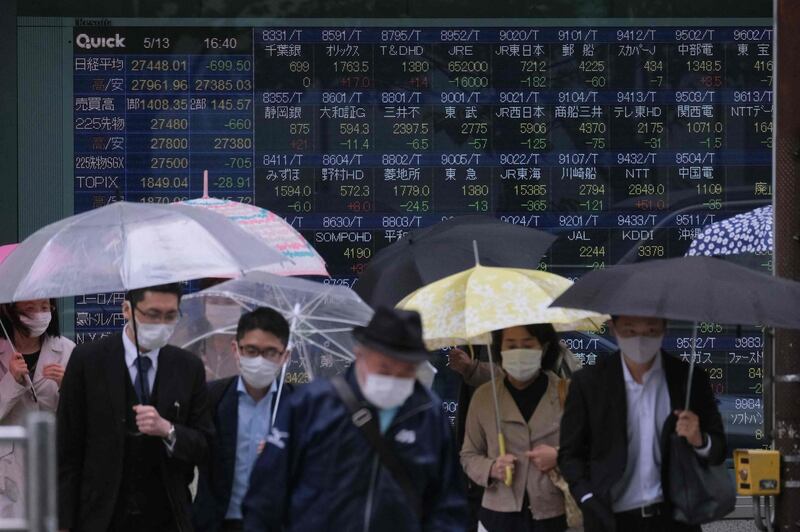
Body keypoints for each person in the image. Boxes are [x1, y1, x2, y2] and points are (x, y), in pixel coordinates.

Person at [242, 307, 469, 532]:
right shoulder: (311, 405)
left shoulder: (429, 415)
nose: (394, 379)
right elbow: (266, 496)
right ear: (360, 354)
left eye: (406, 371)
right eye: (384, 368)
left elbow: (449, 505)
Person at [57, 283, 214, 532]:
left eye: (170, 315)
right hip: (100, 514)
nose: (161, 323)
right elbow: (67, 447)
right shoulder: (88, 360)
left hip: (166, 514)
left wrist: (168, 430)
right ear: (127, 310)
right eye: (152, 314)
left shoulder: (187, 367)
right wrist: (63, 522)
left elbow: (204, 444)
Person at [558, 315, 726, 532]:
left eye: (651, 331)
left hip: (675, 519)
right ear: (613, 328)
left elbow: (719, 448)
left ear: (665, 328)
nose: (640, 340)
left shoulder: (689, 379)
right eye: (629, 331)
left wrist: (700, 440)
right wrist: (587, 497)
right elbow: (570, 454)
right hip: (610, 518)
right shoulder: (589, 382)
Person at [193, 307, 293, 532]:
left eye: (270, 352)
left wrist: (284, 453)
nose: (260, 360)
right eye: (251, 350)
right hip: (220, 522)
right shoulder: (213, 397)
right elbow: (194, 448)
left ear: (285, 356)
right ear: (236, 350)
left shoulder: (298, 405)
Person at [461, 324, 569, 532]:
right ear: (500, 349)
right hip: (497, 516)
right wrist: (492, 468)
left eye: (528, 345)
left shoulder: (567, 393)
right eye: (511, 346)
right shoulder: (484, 397)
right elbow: (469, 455)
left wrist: (558, 456)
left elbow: (587, 450)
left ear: (544, 348)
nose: (519, 352)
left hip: (554, 514)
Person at [0, 299, 74, 518]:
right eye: (30, 308)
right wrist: (11, 380)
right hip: (9, 468)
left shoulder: (67, 350)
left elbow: (81, 415)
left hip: (53, 462)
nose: (40, 314)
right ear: (10, 310)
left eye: (44, 307)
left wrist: (66, 386)